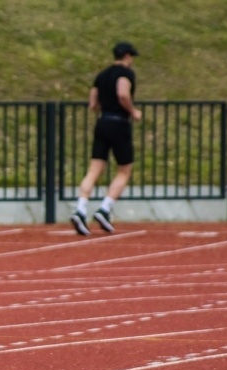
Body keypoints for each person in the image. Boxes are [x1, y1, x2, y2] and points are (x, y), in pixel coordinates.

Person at [70, 41, 143, 236]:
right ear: (127, 56)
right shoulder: (126, 74)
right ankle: (105, 208)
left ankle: (80, 209)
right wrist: (133, 111)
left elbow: (93, 103)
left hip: (102, 122)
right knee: (124, 170)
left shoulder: (101, 75)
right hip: (119, 123)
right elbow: (122, 93)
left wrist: (104, 107)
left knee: (94, 169)